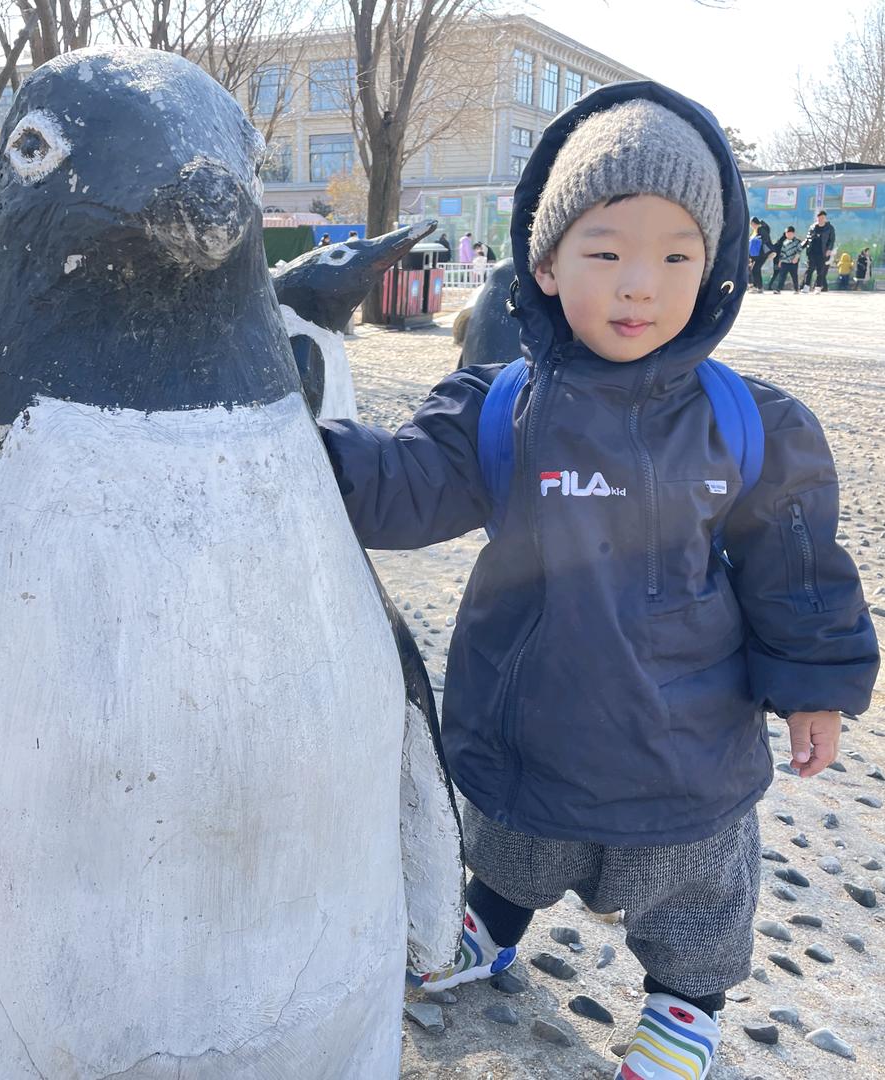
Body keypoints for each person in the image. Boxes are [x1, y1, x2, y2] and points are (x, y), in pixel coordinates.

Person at [318, 90, 878, 1080]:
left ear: (713, 271)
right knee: (511, 850)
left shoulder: (747, 424)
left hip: (687, 756)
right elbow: (404, 487)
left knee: (693, 895)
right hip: (537, 727)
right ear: (544, 264)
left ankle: (686, 1005)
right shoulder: (502, 413)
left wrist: (818, 687)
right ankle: (487, 925)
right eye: (607, 250)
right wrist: (290, 445)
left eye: (676, 256)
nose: (641, 285)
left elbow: (800, 571)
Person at [801, 209, 834, 292]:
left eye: (823, 217)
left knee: (820, 271)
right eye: (820, 217)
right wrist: (801, 246)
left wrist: (829, 249)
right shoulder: (812, 227)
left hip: (822, 252)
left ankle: (818, 288)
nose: (821, 219)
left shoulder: (829, 228)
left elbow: (831, 240)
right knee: (810, 269)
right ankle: (806, 287)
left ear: (825, 218)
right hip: (812, 251)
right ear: (817, 218)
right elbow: (808, 238)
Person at [771, 225, 803, 294]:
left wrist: (796, 258)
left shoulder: (798, 241)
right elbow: (782, 252)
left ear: (793, 233)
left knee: (794, 276)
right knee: (782, 276)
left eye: (790, 233)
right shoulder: (784, 242)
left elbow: (799, 250)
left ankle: (796, 289)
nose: (788, 235)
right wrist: (780, 261)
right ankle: (778, 289)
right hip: (785, 262)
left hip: (793, 262)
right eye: (787, 234)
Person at [748, 217, 773, 293]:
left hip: (762, 254)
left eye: (752, 224)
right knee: (754, 269)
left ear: (755, 223)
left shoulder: (761, 229)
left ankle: (758, 287)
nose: (751, 226)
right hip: (755, 254)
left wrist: (758, 239)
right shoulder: (754, 231)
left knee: (755, 269)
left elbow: (766, 239)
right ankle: (757, 287)